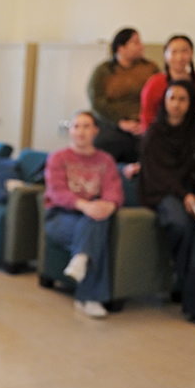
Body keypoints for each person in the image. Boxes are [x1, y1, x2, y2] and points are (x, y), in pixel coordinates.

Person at [138, 80, 195, 326]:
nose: (177, 105)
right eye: (172, 98)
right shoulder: (155, 132)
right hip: (162, 192)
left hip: (193, 193)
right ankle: (192, 289)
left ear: (191, 103)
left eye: (183, 99)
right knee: (180, 223)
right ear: (165, 101)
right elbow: (160, 175)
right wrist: (185, 196)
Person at [43, 111, 124, 318]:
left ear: (95, 131)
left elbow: (113, 191)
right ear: (70, 130)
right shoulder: (58, 158)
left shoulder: (105, 160)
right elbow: (57, 192)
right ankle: (90, 297)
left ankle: (81, 260)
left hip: (90, 217)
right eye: (76, 126)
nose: (81, 131)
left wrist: (109, 206)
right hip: (60, 217)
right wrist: (85, 205)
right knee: (95, 222)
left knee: (97, 219)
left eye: (86, 126)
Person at [88, 28, 159, 164]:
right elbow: (97, 101)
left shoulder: (150, 68)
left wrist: (144, 123)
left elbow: (159, 97)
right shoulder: (104, 70)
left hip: (144, 125)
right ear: (121, 48)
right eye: (135, 42)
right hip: (111, 125)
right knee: (107, 143)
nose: (141, 46)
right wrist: (120, 122)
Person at [140, 34, 195, 146]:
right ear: (165, 55)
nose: (179, 57)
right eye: (174, 52)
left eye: (184, 51)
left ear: (192, 54)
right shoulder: (155, 83)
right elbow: (147, 119)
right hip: (165, 145)